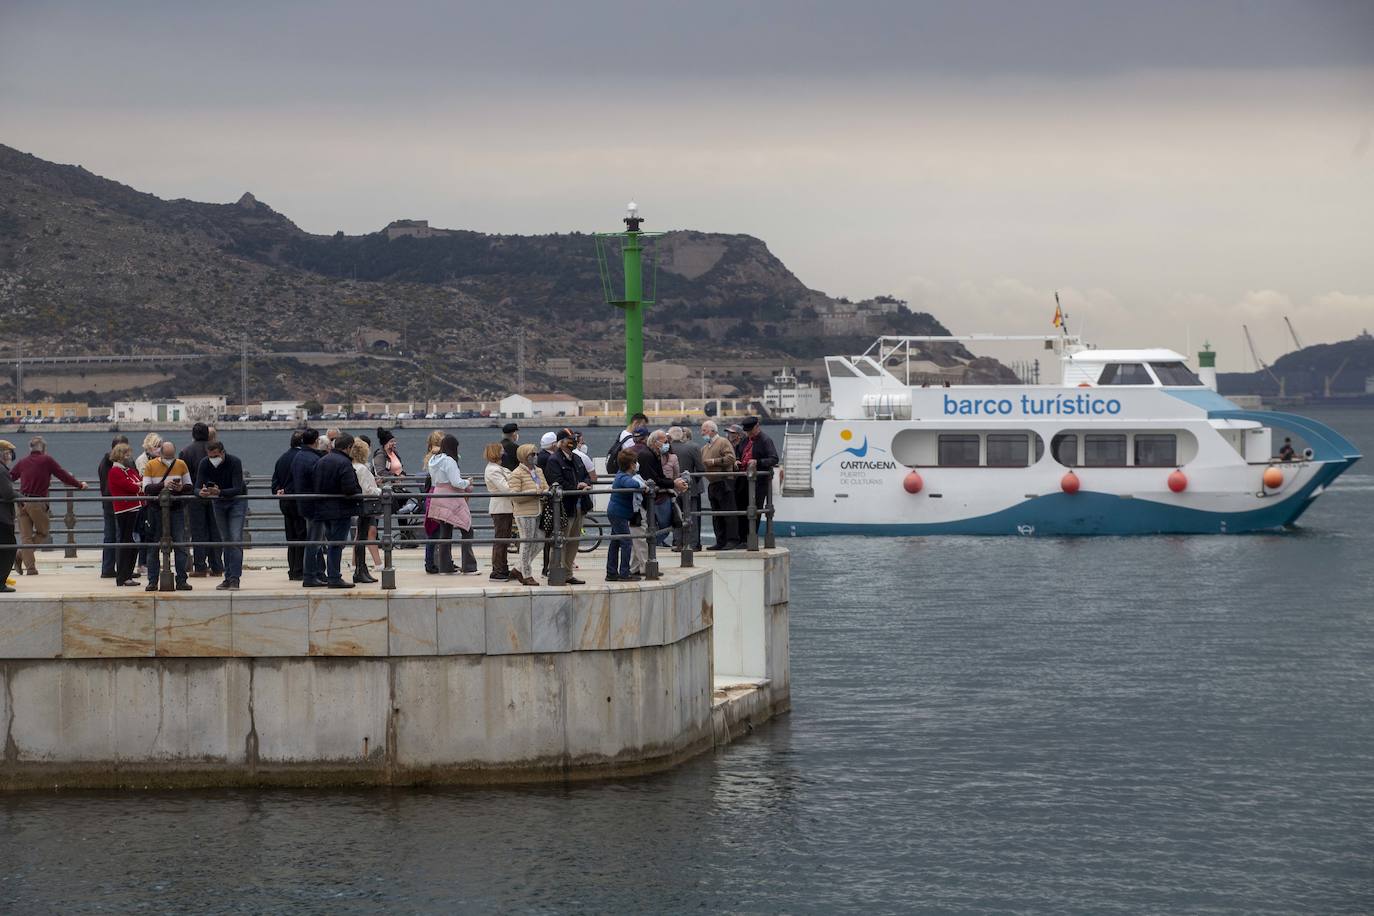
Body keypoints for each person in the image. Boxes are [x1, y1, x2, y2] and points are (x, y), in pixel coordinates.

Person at [8, 435, 86, 576]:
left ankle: (29, 566)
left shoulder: (23, 462)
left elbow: (9, 477)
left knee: (25, 538)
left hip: (21, 502)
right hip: (37, 503)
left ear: (30, 448)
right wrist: (79, 485)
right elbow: (63, 475)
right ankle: (20, 555)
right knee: (43, 532)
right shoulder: (47, 460)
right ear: (43, 448)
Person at [311, 432, 362, 588]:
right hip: (340, 509)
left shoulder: (322, 461)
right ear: (348, 447)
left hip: (323, 508)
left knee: (331, 542)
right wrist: (358, 491)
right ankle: (334, 577)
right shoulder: (344, 463)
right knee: (337, 544)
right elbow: (349, 488)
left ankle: (331, 574)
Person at [195, 440, 247, 591]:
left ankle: (235, 578)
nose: (213, 459)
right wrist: (201, 492)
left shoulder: (235, 462)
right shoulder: (205, 463)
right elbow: (197, 485)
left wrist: (221, 492)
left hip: (236, 502)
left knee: (235, 539)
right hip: (218, 503)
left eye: (216, 456)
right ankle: (228, 577)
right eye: (210, 456)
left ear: (223, 453)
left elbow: (237, 488)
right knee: (225, 540)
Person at [544, 429, 594, 585]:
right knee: (560, 540)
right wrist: (576, 487)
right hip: (564, 507)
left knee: (574, 541)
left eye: (573, 438)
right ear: (560, 442)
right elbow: (556, 481)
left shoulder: (577, 458)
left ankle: (568, 573)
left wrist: (585, 483)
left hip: (580, 505)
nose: (572, 441)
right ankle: (555, 572)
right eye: (568, 439)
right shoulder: (554, 460)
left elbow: (587, 475)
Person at [141, 441, 193, 591]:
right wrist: (163, 485)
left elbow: (189, 486)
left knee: (180, 545)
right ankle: (152, 580)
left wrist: (181, 487)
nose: (169, 460)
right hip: (155, 510)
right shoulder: (150, 465)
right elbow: (147, 488)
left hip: (176, 509)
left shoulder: (181, 464)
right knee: (153, 547)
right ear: (160, 453)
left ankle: (182, 579)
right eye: (167, 457)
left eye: (171, 457)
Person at [426, 434, 477, 574]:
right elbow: (456, 482)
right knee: (467, 529)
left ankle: (445, 567)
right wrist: (468, 482)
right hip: (451, 496)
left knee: (445, 532)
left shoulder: (433, 459)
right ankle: (469, 567)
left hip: (438, 495)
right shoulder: (449, 461)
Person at [179, 423, 222, 579]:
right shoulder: (215, 450)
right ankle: (217, 566)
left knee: (198, 532)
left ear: (193, 434)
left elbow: (184, 476)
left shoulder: (185, 451)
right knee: (215, 531)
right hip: (214, 494)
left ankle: (200, 567)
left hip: (194, 496)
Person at [634, 429, 687, 546]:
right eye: (664, 442)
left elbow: (660, 477)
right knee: (665, 525)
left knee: (663, 524)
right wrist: (674, 484)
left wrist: (674, 482)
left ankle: (649, 546)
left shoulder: (653, 454)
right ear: (655, 442)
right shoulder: (647, 455)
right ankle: (649, 546)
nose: (667, 444)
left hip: (656, 495)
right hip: (652, 497)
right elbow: (655, 479)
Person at [289, 428, 327, 587]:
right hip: (315, 505)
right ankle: (310, 576)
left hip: (303, 503)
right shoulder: (313, 459)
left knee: (312, 540)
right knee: (314, 542)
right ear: (316, 441)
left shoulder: (298, 457)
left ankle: (315, 573)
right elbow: (319, 483)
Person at [507, 443, 548, 586]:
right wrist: (534, 493)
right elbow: (514, 496)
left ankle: (519, 568)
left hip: (538, 510)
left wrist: (543, 493)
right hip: (524, 513)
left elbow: (545, 487)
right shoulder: (516, 473)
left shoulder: (539, 471)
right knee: (527, 541)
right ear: (524, 456)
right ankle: (526, 573)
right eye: (532, 454)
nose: (535, 457)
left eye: (536, 454)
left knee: (540, 541)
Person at [272, 430, 307, 580]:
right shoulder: (302, 458)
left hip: (285, 503)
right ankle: (299, 569)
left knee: (291, 537)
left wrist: (280, 490)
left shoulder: (282, 459)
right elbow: (299, 481)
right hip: (299, 501)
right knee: (302, 536)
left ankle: (292, 569)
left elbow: (275, 483)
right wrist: (288, 490)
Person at [701, 420, 742, 550]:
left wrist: (713, 461)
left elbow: (731, 458)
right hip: (713, 483)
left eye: (705, 430)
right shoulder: (705, 447)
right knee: (716, 515)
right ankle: (720, 540)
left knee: (728, 512)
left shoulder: (723, 442)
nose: (702, 433)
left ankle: (732, 540)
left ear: (713, 431)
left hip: (724, 481)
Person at [107, 442, 142, 587]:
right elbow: (132, 487)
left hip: (135, 508)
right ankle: (123, 576)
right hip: (125, 510)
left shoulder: (128, 470)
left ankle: (128, 573)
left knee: (133, 543)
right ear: (121, 455)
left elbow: (140, 482)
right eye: (127, 454)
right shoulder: (115, 472)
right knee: (127, 542)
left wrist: (140, 485)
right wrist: (140, 485)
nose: (130, 456)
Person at [605, 450, 643, 581]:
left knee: (615, 542)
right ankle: (624, 573)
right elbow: (633, 484)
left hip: (616, 512)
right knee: (626, 542)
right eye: (635, 462)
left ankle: (611, 572)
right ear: (631, 465)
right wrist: (642, 485)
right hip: (618, 514)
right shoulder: (623, 477)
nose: (637, 465)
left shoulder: (621, 475)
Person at [738, 417, 778, 538]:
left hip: (759, 483)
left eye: (750, 430)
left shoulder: (766, 440)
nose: (748, 433)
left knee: (755, 511)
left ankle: (750, 537)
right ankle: (742, 538)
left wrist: (758, 462)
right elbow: (739, 453)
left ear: (757, 427)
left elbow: (774, 459)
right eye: (746, 431)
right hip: (743, 481)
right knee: (742, 509)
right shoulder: (745, 440)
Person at [98, 434, 130, 578]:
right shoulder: (119, 465)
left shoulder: (104, 462)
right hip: (119, 503)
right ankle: (122, 569)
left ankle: (108, 568)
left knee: (109, 537)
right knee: (120, 536)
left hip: (107, 503)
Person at [349, 438, 381, 584]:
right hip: (366, 505)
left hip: (358, 505)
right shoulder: (361, 469)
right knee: (362, 536)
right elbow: (366, 489)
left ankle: (361, 568)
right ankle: (360, 570)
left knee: (360, 537)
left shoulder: (352, 467)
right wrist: (379, 491)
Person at [668, 426, 705, 550]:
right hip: (691, 488)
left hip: (673, 487)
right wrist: (693, 482)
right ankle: (693, 544)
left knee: (676, 516)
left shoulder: (667, 449)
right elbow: (700, 469)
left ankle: (678, 543)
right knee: (692, 516)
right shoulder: (693, 447)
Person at [483, 442, 515, 581]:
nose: (504, 453)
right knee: (501, 540)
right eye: (501, 451)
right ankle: (497, 570)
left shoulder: (498, 468)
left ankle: (503, 567)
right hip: (501, 508)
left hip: (505, 508)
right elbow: (506, 488)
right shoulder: (493, 470)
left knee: (504, 539)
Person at [420, 429, 445, 574]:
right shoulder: (437, 458)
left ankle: (432, 562)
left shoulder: (430, 457)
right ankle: (431, 563)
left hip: (432, 496)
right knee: (435, 533)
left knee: (435, 532)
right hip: (437, 496)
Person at [0, 440, 19, 592]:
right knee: (9, 548)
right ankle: (1, 583)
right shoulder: (2, 470)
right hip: (2, 517)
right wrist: (20, 496)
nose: (11, 456)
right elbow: (7, 494)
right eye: (9, 453)